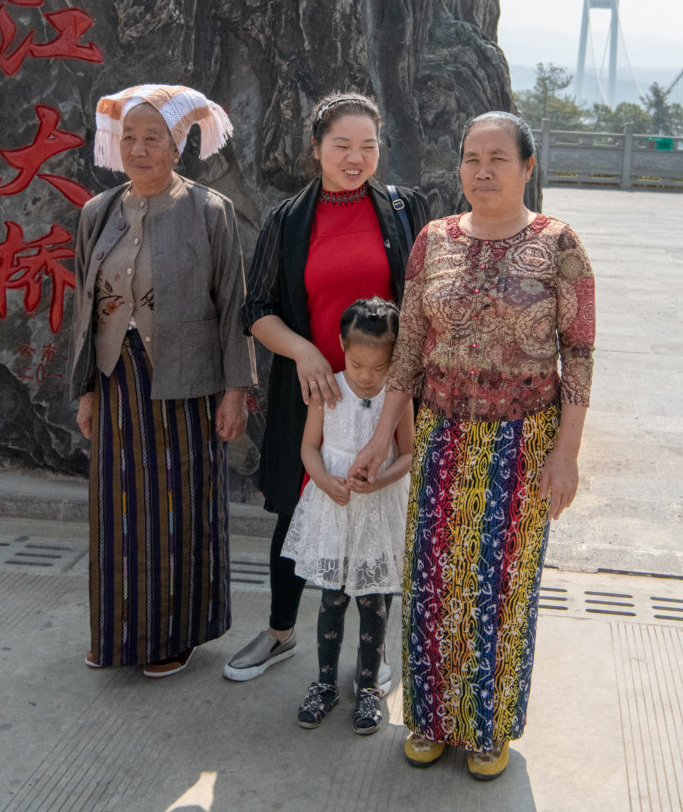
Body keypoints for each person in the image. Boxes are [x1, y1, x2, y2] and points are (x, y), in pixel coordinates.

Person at [350, 111, 595, 779]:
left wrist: (566, 454)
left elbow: (577, 355)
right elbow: (406, 354)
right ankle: (431, 720)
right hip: (441, 437)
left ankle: (487, 729)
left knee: (501, 587)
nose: (480, 170)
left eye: (496, 158)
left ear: (526, 168)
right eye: (469, 158)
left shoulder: (559, 243)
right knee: (432, 584)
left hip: (524, 439)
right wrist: (378, 437)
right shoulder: (431, 241)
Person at [223, 92, 429, 685]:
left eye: (368, 145)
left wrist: (405, 383)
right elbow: (256, 308)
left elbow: (421, 302)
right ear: (316, 149)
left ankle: (377, 648)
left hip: (387, 394)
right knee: (294, 505)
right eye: (342, 144)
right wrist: (304, 350)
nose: (356, 157)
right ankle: (282, 632)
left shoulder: (404, 208)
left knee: (381, 511)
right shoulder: (288, 220)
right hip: (311, 394)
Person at [68, 84, 257, 678]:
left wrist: (235, 390)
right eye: (129, 137)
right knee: (116, 512)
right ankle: (118, 631)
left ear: (178, 146)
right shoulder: (97, 213)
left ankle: (177, 633)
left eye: (154, 138)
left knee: (177, 509)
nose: (139, 149)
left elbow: (233, 306)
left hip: (185, 384)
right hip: (117, 379)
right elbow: (84, 305)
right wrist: (88, 389)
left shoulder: (209, 211)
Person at [281, 297, 413, 734]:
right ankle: (324, 683)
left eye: (379, 368)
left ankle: (370, 686)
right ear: (341, 347)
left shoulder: (397, 398)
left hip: (377, 512)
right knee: (331, 600)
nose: (368, 377)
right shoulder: (329, 391)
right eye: (358, 365)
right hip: (335, 512)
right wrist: (321, 480)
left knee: (375, 602)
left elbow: (410, 454)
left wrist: (381, 480)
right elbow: (308, 448)